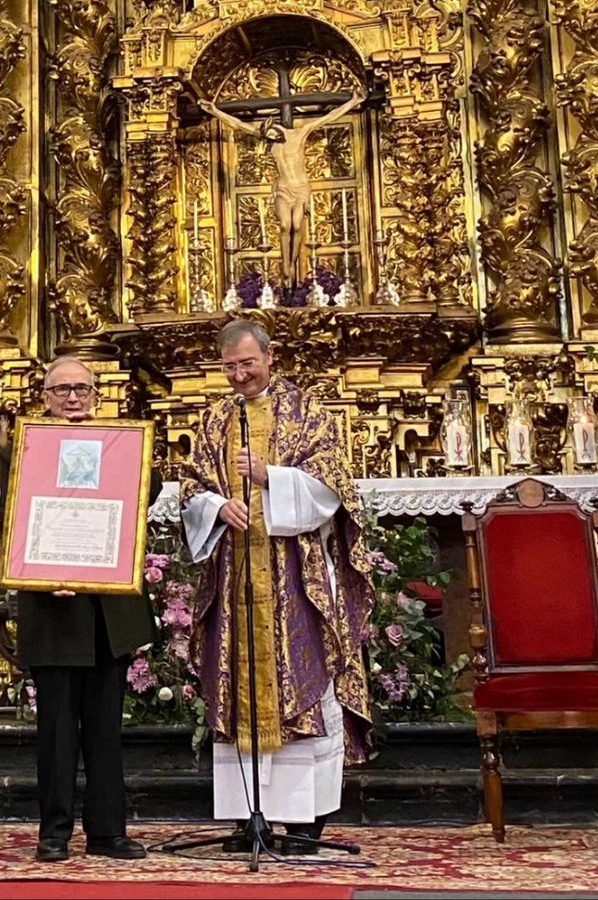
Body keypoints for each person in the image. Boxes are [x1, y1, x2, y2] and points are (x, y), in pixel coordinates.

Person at [180, 319, 374, 855]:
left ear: (270, 357)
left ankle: (307, 820)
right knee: (237, 687)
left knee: (305, 687)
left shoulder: (307, 412)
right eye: (230, 367)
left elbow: (334, 484)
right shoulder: (216, 417)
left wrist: (272, 477)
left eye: (248, 363)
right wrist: (217, 506)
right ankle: (251, 815)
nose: (240, 375)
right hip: (235, 576)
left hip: (296, 575)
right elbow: (191, 486)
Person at [0, 355, 158, 863]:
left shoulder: (121, 441)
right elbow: (14, 518)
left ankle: (108, 831)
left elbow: (145, 494)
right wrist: (45, 572)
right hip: (53, 607)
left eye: (82, 390)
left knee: (106, 730)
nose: (73, 399)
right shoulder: (25, 448)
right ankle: (55, 831)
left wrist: (126, 450)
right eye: (61, 390)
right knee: (57, 732)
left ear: (97, 395)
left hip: (106, 610)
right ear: (44, 397)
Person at [198, 93, 364, 290]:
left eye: (272, 136)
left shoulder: (299, 133)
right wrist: (215, 111)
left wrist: (353, 102)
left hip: (300, 188)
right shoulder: (270, 139)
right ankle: (286, 266)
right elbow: (238, 125)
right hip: (283, 188)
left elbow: (328, 117)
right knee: (285, 225)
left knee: (297, 224)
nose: (270, 140)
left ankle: (292, 262)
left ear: (276, 127)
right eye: (268, 138)